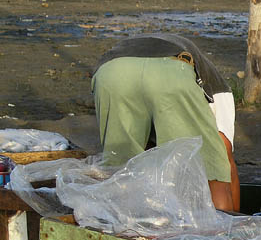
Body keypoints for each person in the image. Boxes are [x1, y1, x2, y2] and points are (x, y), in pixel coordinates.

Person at [92, 33, 240, 212]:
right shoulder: (221, 90)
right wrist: (238, 217)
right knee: (213, 172)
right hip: (172, 71)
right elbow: (225, 156)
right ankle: (224, 236)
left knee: (123, 172)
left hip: (112, 72)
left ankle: (127, 234)